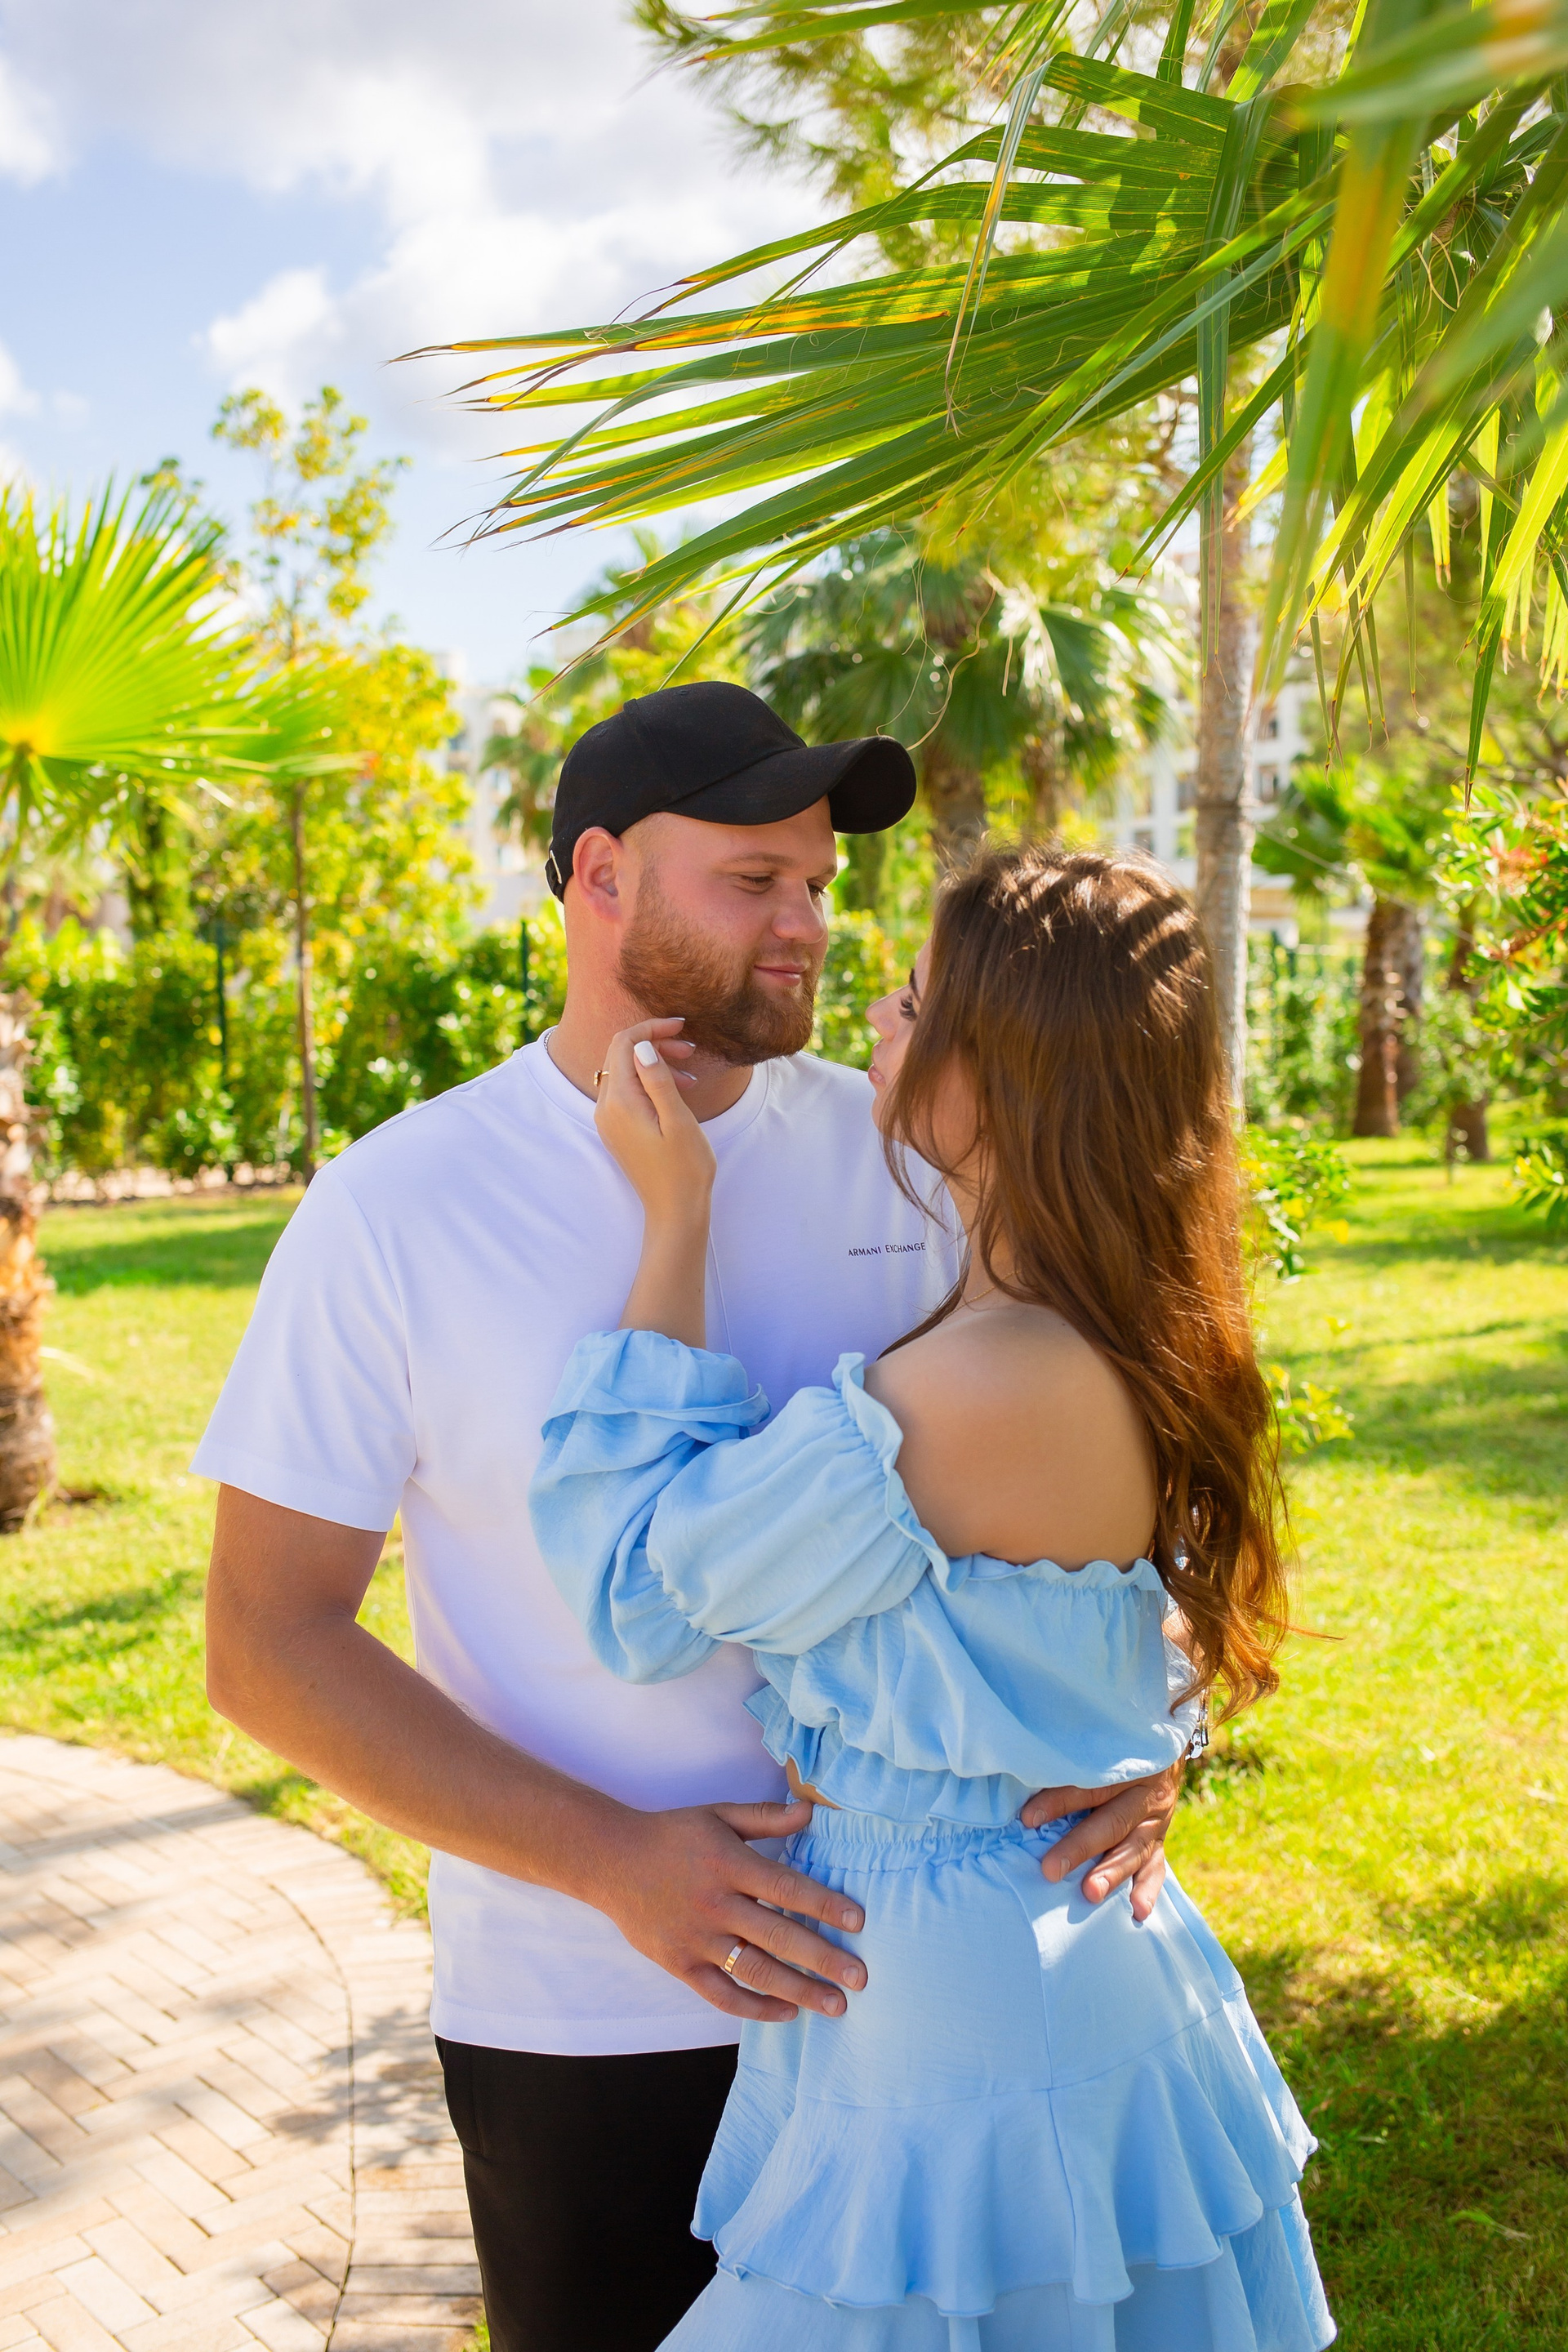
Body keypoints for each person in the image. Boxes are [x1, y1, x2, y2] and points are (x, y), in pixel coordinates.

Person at [198, 684, 1183, 2352]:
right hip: (587, 2019)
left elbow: (1101, 1451)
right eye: (754, 880)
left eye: (820, 883)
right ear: (600, 878)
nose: (808, 924)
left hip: (923, 2013)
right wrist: (612, 1863)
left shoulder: (922, 1146)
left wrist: (1155, 1718)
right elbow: (265, 1644)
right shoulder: (395, 1207)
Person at [529, 843, 1336, 2351]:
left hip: (965, 2028)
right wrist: (1154, 1741)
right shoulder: (1109, 1325)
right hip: (1036, 1968)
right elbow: (1115, 1621)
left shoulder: (960, 1392)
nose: (876, 1023)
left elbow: (637, 1593)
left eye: (912, 1000)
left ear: (1000, 1073)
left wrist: (675, 1218)